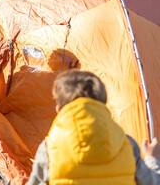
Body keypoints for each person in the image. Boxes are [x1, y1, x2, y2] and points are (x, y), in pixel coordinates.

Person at [28, 70, 160, 185]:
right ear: (102, 105)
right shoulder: (127, 145)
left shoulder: (48, 149)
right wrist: (151, 159)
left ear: (59, 109)